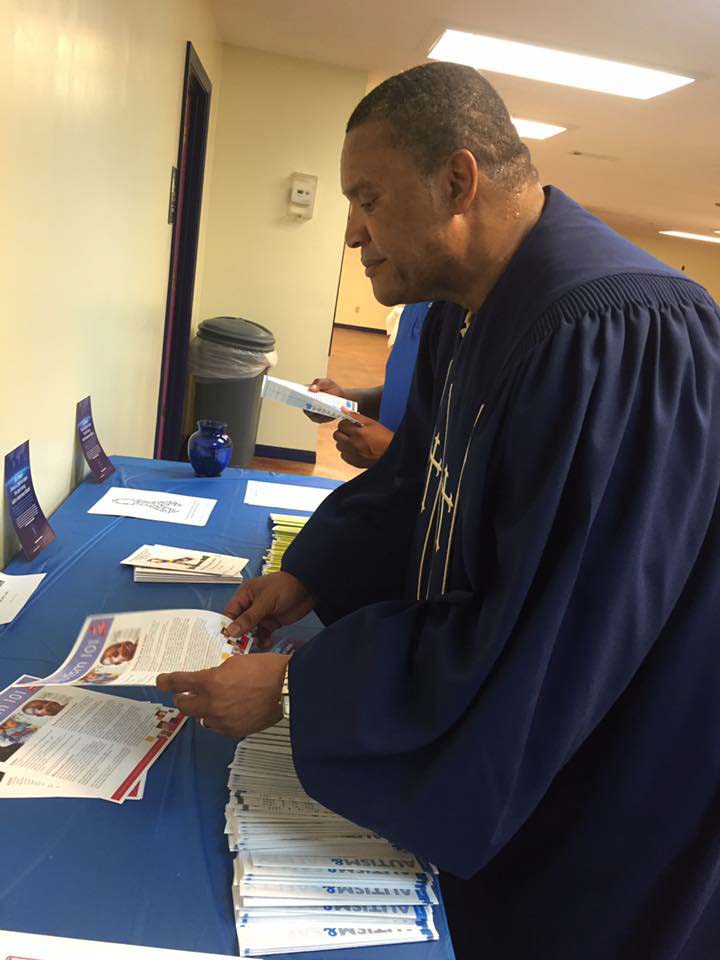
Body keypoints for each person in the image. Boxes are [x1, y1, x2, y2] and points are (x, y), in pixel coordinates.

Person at [158, 62, 720, 959]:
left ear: (457, 181)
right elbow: (420, 479)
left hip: (611, 775)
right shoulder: (467, 311)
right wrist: (310, 572)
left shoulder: (610, 331)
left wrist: (306, 690)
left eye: (367, 197)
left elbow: (554, 626)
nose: (353, 233)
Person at [308, 301, 432, 467]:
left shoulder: (463, 323)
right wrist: (346, 401)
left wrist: (396, 452)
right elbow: (408, 393)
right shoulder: (415, 308)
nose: (368, 273)